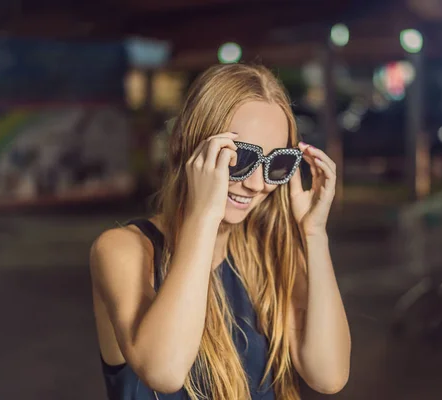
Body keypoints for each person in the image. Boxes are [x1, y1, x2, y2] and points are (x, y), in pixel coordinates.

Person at [89, 64, 351, 400]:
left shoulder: (269, 257)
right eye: (239, 158)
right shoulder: (123, 251)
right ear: (187, 144)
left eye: (277, 164)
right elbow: (164, 371)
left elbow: (329, 376)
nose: (256, 184)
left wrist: (314, 236)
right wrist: (203, 215)